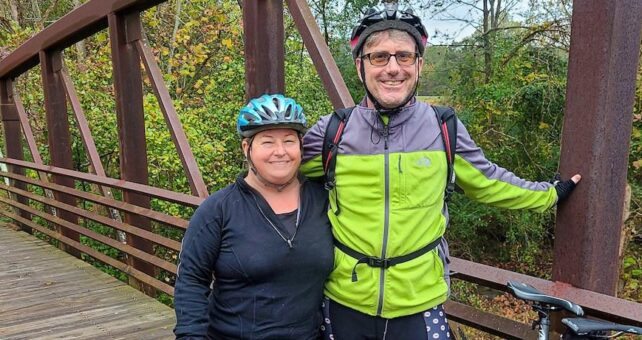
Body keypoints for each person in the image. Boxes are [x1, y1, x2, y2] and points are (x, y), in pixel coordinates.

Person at [300, 2, 581, 339]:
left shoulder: (442, 127)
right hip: (344, 300)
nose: (393, 68)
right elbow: (278, 172)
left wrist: (549, 194)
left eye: (404, 56)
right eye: (379, 57)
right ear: (360, 65)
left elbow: (487, 181)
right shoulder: (334, 131)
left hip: (420, 301)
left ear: (419, 64)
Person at [174, 94, 334, 339]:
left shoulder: (323, 200)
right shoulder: (218, 210)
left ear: (301, 146)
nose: (280, 152)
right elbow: (191, 282)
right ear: (247, 148)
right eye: (268, 142)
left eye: (289, 141)